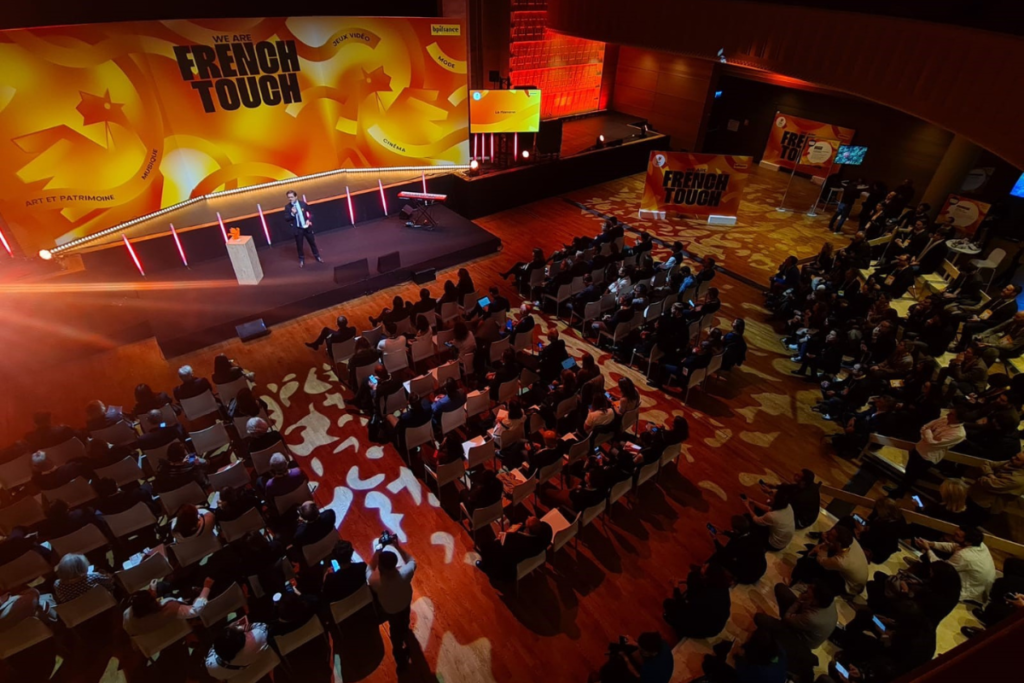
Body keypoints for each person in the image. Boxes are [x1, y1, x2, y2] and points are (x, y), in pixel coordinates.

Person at [887, 407, 966, 499]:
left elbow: (932, 443)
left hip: (927, 457)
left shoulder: (959, 434)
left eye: (951, 414)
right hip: (919, 448)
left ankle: (897, 494)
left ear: (959, 419)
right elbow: (925, 427)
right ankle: (898, 492)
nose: (947, 414)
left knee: (911, 478)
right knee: (908, 472)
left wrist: (928, 432)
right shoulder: (944, 419)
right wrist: (929, 433)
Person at [368, 538, 417, 669]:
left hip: (390, 610)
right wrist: (397, 546)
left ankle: (399, 655)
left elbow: (369, 569)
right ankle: (405, 631)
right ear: (396, 564)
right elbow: (411, 560)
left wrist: (378, 552)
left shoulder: (375, 582)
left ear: (380, 567)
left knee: (395, 630)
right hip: (405, 603)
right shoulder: (405, 573)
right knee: (404, 620)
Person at [914, 526, 995, 603]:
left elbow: (941, 568)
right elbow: (953, 546)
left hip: (969, 592)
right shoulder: (979, 544)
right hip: (978, 585)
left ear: (967, 542)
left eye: (957, 535)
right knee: (933, 553)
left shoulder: (964, 556)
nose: (953, 535)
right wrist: (930, 543)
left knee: (930, 560)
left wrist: (927, 549)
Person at [754, 580, 837, 650]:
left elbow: (787, 617)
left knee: (760, 619)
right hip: (804, 620)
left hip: (801, 640)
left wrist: (799, 600)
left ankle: (781, 634)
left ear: (815, 600)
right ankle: (783, 626)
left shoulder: (812, 618)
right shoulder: (828, 600)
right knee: (780, 588)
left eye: (809, 592)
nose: (807, 588)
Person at [792, 525, 868, 596]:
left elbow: (821, 561)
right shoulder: (848, 541)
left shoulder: (841, 561)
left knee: (811, 563)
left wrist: (823, 546)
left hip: (850, 586)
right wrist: (823, 544)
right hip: (853, 574)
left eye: (830, 535)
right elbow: (832, 547)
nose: (826, 534)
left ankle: (803, 582)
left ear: (838, 542)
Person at [123, 576, 214, 635]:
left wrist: (152, 590)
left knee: (160, 586)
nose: (151, 591)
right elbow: (195, 610)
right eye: (150, 593)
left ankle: (177, 585)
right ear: (154, 603)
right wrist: (207, 587)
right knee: (185, 595)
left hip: (149, 626)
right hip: (168, 621)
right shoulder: (169, 608)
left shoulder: (129, 613)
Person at [663, 563, 732, 639]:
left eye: (704, 567)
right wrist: (684, 581)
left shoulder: (705, 598)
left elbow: (683, 607)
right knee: (693, 577)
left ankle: (679, 628)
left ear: (707, 577)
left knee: (668, 604)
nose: (703, 565)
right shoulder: (721, 586)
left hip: (704, 628)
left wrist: (676, 588)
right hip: (715, 623)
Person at [476, 516, 552, 580]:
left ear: (527, 530)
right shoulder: (547, 530)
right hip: (536, 553)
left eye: (527, 520)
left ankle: (484, 566)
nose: (528, 516)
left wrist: (501, 538)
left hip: (510, 567)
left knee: (485, 546)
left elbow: (505, 552)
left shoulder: (517, 544)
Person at [709, 515, 767, 585]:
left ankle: (706, 568)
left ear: (736, 530)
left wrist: (715, 539)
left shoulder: (739, 545)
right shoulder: (753, 533)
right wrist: (724, 532)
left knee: (719, 556)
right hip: (761, 568)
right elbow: (739, 536)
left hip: (748, 576)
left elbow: (724, 554)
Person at [206, 618, 271, 680]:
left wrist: (230, 630)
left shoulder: (210, 666)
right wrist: (240, 628)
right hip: (262, 655)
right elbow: (263, 626)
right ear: (241, 640)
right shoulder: (256, 638)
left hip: (237, 673)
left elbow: (213, 648)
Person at [968, 451, 1024, 517]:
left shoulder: (1017, 480)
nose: (1012, 458)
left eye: (1017, 459)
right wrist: (991, 475)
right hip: (975, 494)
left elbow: (985, 483)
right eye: (1015, 456)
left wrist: (983, 476)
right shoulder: (1012, 463)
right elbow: (986, 463)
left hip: (984, 504)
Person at [284, 189, 321, 267]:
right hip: (298, 229)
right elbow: (286, 218)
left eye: (292, 197)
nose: (290, 199)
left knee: (312, 243)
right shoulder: (288, 207)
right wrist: (292, 214)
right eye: (289, 197)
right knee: (299, 245)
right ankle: (301, 259)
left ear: (296, 197)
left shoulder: (303, 204)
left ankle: (317, 256)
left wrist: (309, 220)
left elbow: (311, 213)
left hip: (306, 228)